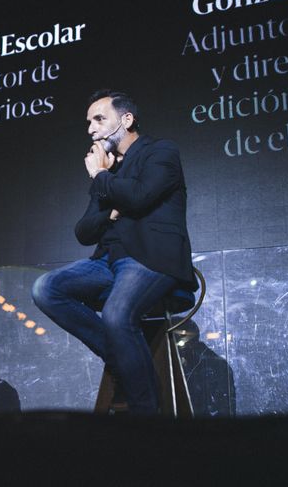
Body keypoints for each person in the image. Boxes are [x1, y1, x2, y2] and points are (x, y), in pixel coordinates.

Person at [31, 90, 197, 415]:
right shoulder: (109, 172)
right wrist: (110, 212)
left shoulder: (160, 151)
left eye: (99, 119)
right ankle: (123, 359)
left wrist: (100, 176)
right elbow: (84, 230)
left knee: (116, 315)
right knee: (45, 288)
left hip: (150, 258)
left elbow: (140, 196)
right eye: (88, 122)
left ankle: (145, 416)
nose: (91, 129)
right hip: (107, 263)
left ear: (126, 120)